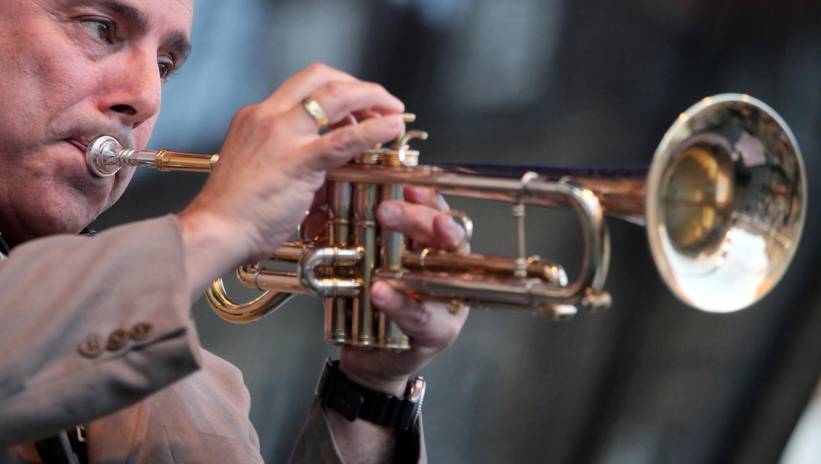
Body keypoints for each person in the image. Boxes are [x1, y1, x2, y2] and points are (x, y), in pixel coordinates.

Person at [0, 0, 469, 462]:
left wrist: (372, 391)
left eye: (163, 66)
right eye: (101, 29)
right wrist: (222, 223)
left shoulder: (208, 396)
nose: (147, 98)